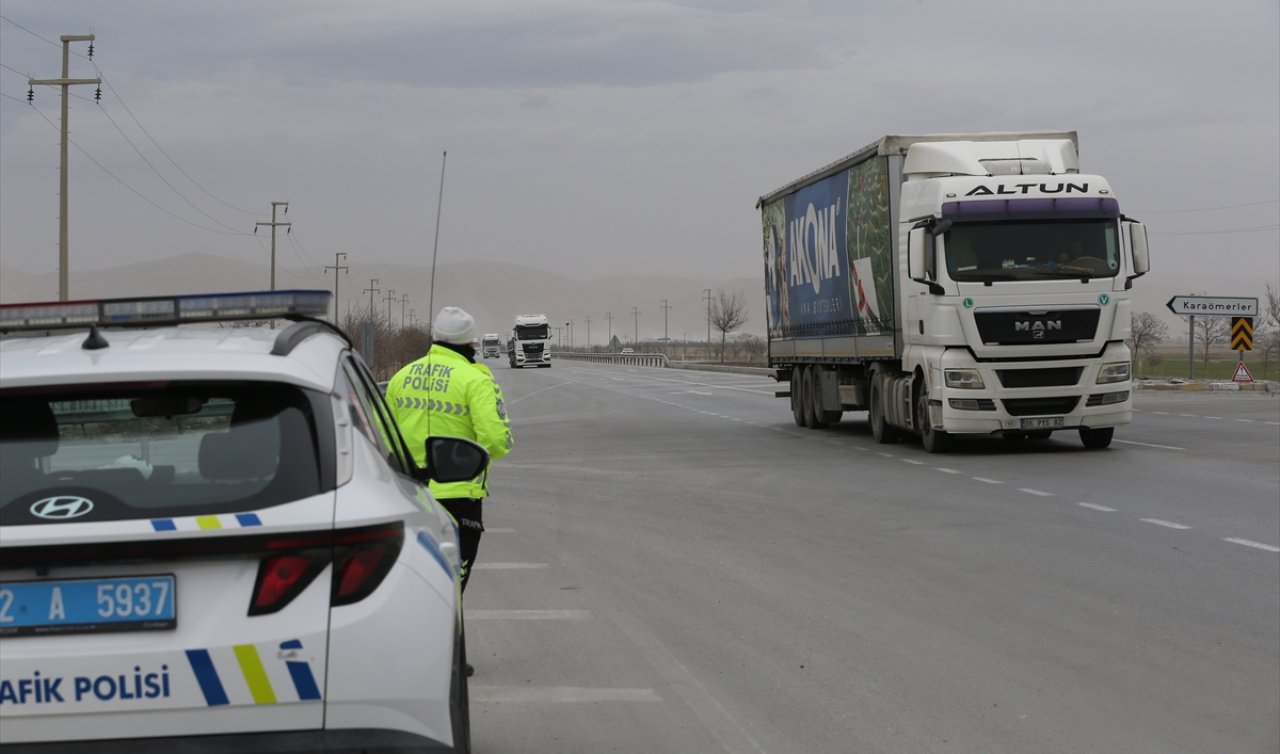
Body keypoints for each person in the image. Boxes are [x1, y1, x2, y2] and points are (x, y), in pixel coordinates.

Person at [387, 306, 513, 675]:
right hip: (458, 498)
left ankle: (402, 650)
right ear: (471, 341)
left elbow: (379, 433)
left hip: (407, 494)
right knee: (452, 581)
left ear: (436, 338)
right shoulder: (476, 379)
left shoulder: (401, 376)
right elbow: (496, 440)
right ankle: (445, 658)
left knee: (411, 578)